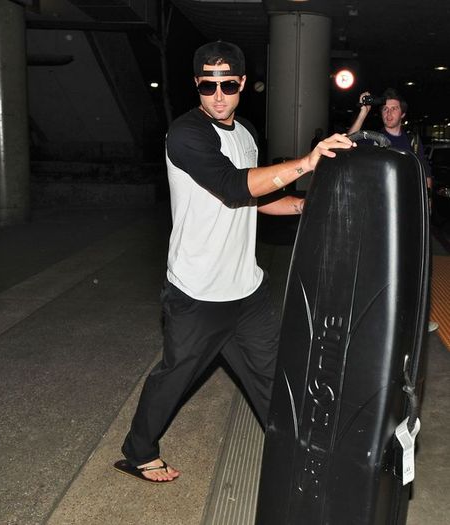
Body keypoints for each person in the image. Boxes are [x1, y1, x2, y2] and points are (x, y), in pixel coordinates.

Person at [113, 41, 354, 483]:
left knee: (272, 375)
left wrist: (303, 206)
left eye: (227, 83)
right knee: (174, 378)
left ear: (242, 83)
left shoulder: (244, 134)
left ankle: (295, 450)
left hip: (247, 288)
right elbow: (232, 186)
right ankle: (138, 451)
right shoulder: (186, 134)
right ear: (197, 86)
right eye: (208, 84)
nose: (218, 94)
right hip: (198, 290)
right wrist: (305, 162)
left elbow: (256, 198)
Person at [348, 88, 438, 332]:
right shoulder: (373, 138)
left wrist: (427, 206)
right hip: (380, 215)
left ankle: (416, 321)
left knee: (413, 268)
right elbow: (349, 141)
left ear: (403, 114)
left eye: (394, 108)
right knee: (381, 267)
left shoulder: (413, 141)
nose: (388, 113)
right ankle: (379, 319)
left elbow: (426, 175)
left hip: (409, 215)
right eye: (385, 109)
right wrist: (364, 111)